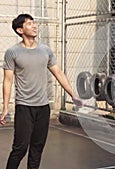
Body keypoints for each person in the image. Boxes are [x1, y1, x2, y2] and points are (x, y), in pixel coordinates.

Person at [0, 14, 82, 169]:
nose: (34, 26)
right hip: (24, 107)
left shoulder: (45, 51)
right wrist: (5, 108)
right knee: (20, 148)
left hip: (43, 108)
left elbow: (59, 74)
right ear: (20, 30)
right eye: (29, 24)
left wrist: (74, 95)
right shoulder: (13, 52)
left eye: (34, 23)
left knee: (37, 150)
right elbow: (7, 81)